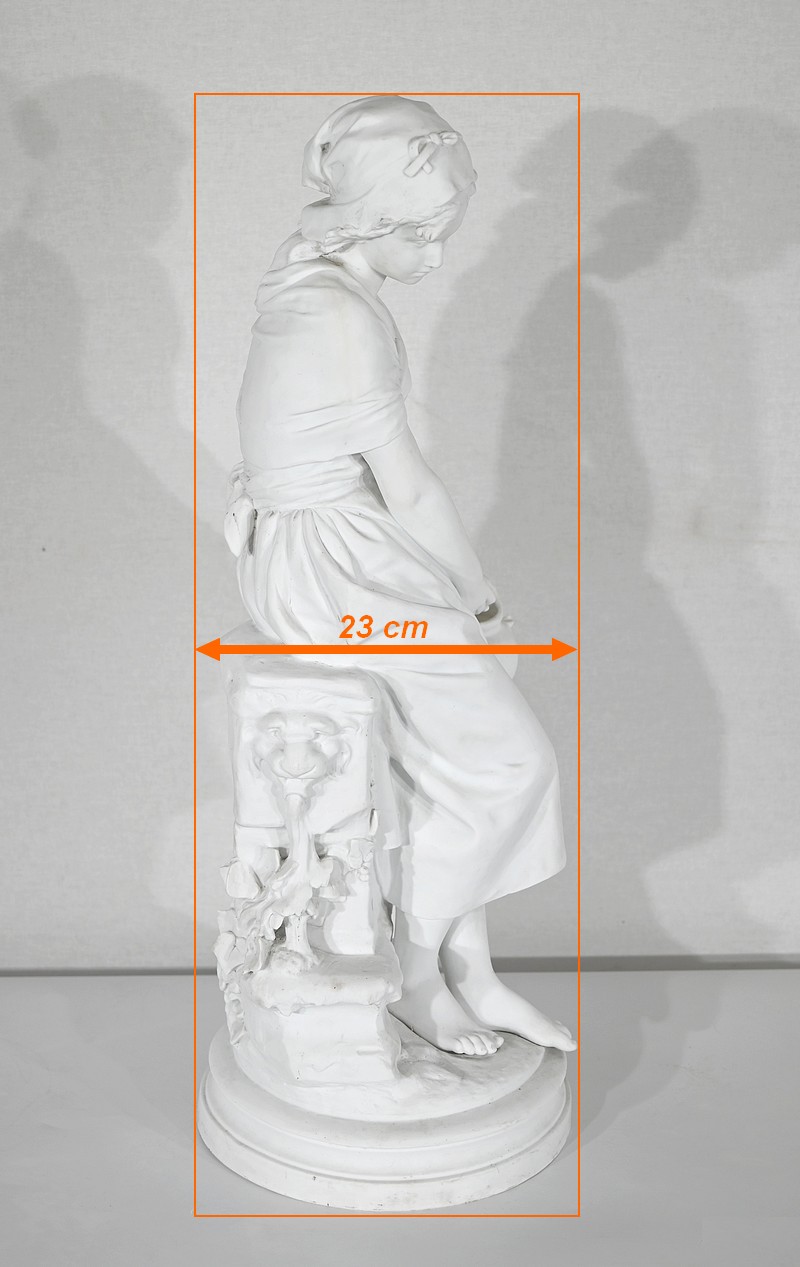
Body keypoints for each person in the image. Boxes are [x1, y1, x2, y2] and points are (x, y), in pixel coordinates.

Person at [227, 95, 575, 1056]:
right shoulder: (341, 318)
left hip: (330, 548)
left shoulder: (307, 279)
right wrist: (482, 603)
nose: (436, 256)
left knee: (449, 756)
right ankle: (422, 979)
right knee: (508, 762)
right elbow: (413, 490)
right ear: (369, 221)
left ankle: (473, 973)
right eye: (422, 234)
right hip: (332, 568)